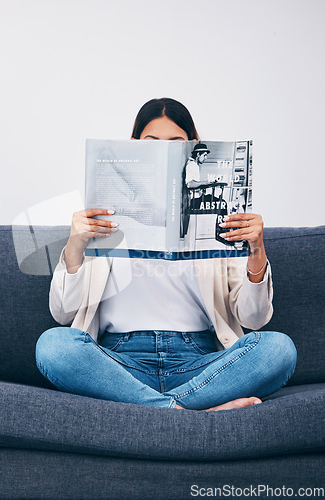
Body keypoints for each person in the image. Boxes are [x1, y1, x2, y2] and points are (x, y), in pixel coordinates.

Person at [35, 97, 297, 411]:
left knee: (279, 349)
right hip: (118, 366)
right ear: (133, 147)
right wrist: (75, 245)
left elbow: (254, 319)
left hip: (201, 366)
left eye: (176, 143)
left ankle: (157, 410)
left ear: (193, 146)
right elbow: (62, 314)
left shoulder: (220, 220)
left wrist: (256, 250)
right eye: (151, 143)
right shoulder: (101, 216)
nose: (163, 151)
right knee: (53, 346)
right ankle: (183, 413)